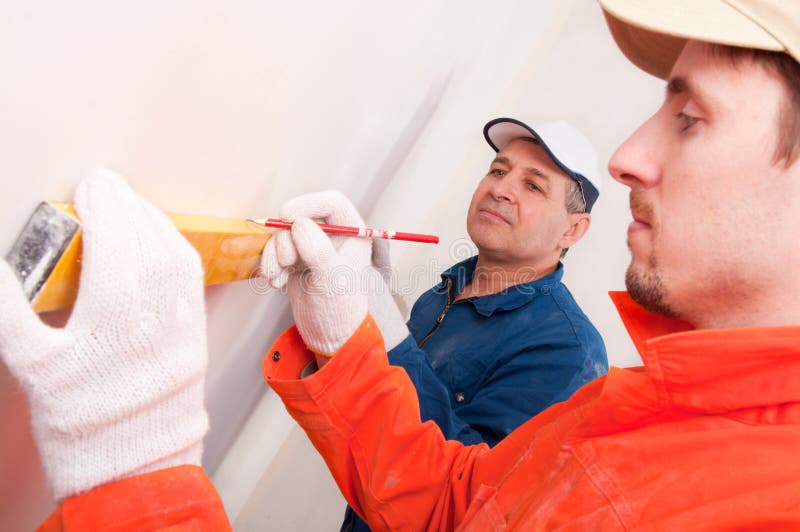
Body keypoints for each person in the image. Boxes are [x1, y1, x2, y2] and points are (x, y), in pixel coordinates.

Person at [1, 0, 798, 529]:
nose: (633, 157)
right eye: (498, 171)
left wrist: (136, 473)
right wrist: (354, 331)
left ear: (573, 230)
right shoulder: (648, 403)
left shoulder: (578, 361)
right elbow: (462, 504)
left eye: (690, 118)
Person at [263, 118, 608, 531]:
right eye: (498, 170)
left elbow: (475, 506)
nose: (501, 188)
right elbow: (384, 422)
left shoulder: (568, 352)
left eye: (533, 185)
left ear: (573, 229)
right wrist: (357, 321)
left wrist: (384, 329)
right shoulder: (445, 293)